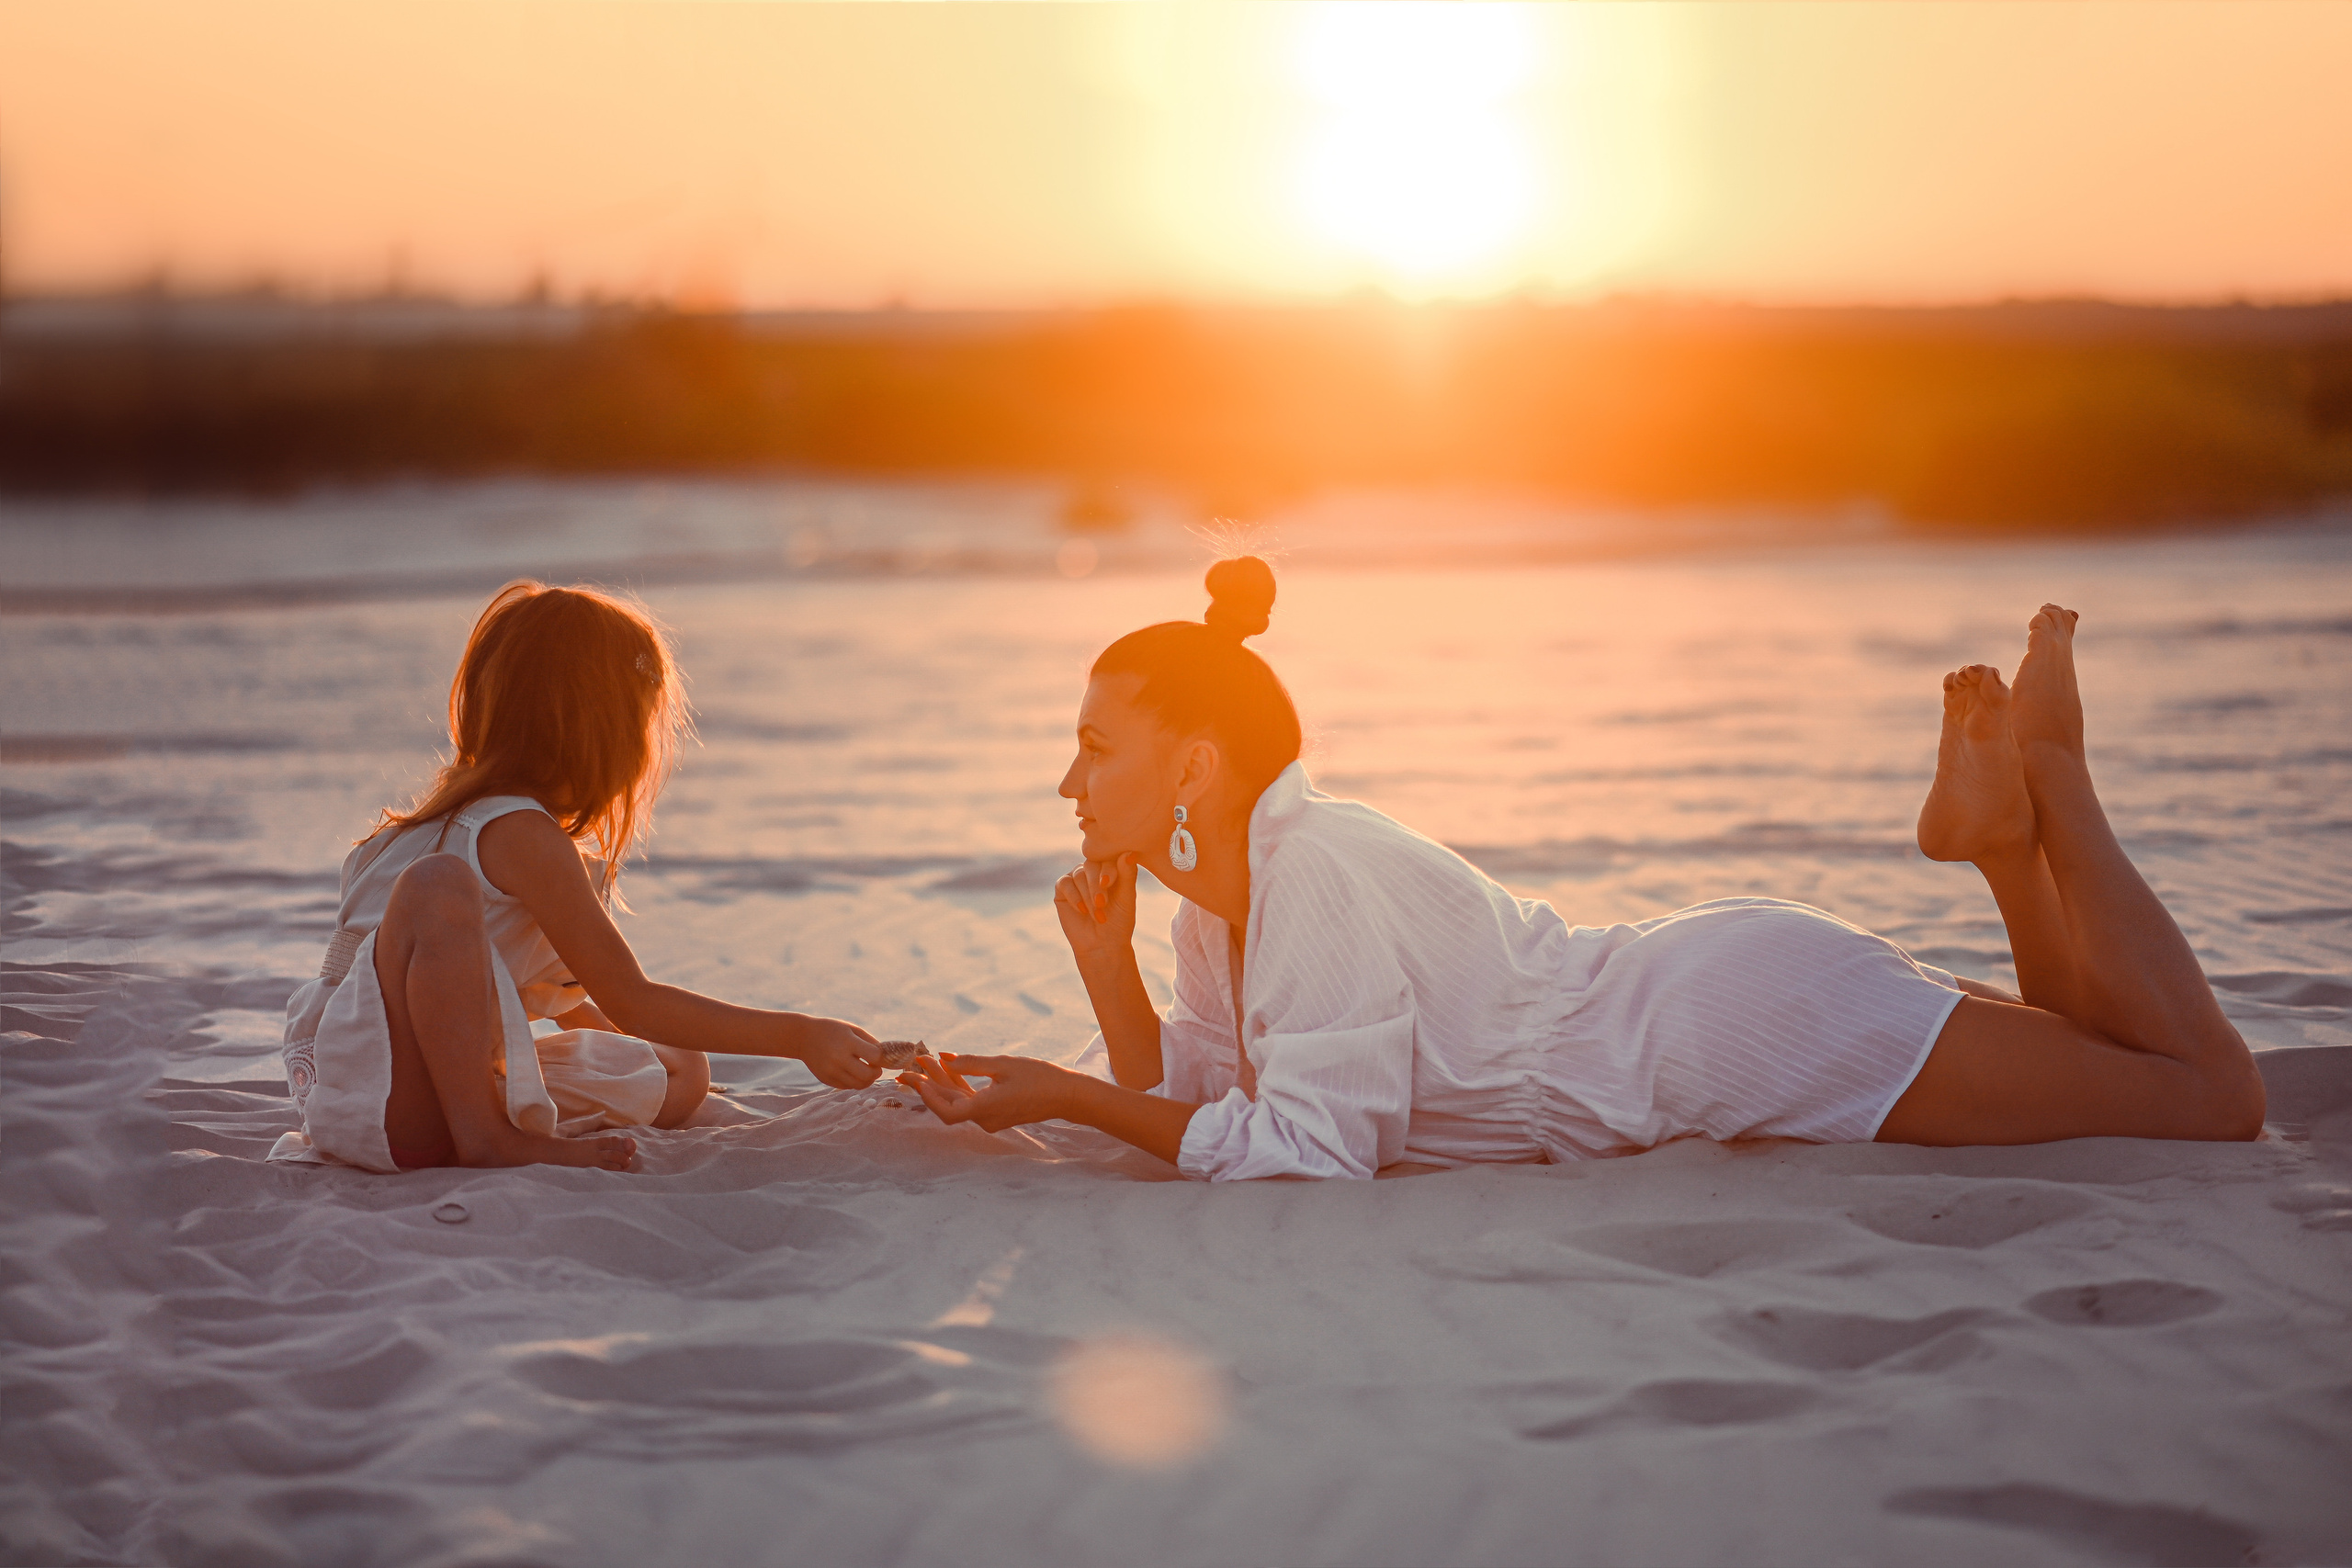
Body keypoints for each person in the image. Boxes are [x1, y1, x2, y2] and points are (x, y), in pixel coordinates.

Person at [897, 558, 2266, 1179]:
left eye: (1092, 745)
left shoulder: (1304, 873)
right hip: (1709, 994)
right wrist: (1103, 978)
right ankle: (2010, 852)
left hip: (1729, 1030)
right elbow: (1204, 1090)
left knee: (2204, 1097)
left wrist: (1069, 1092)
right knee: (2106, 1051)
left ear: (1193, 768)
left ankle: (2057, 775)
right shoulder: (1227, 894)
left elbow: (1313, 1152)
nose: (1068, 780)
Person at [270, 581, 882, 1173]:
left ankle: (484, 1123)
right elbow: (633, 999)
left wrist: (645, 1055)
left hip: (347, 1084)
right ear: (607, 733)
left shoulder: (402, 836)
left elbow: (572, 1004)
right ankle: (489, 1139)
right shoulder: (519, 836)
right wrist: (800, 1035)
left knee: (681, 1068)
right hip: (380, 1093)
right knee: (438, 886)